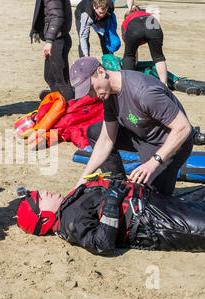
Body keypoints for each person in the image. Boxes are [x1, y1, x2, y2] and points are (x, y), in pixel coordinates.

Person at [70, 56, 193, 196]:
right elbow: (106, 139)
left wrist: (153, 162)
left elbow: (184, 128)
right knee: (95, 132)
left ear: (101, 71)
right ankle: (119, 184)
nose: (92, 96)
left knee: (151, 201)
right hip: (142, 135)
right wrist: (82, 179)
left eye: (91, 88)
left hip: (169, 143)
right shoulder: (108, 94)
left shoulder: (144, 92)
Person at [16, 176, 205, 254]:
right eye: (40, 198)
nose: (44, 192)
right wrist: (112, 201)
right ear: (44, 218)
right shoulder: (70, 223)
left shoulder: (69, 202)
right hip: (154, 224)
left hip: (155, 205)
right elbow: (102, 244)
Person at [30, 0, 75, 102]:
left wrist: (49, 41)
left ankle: (70, 108)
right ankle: (59, 103)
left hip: (57, 40)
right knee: (50, 77)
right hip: (56, 39)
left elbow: (57, 17)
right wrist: (37, 30)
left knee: (61, 81)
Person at [121, 4, 168, 85]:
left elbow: (131, 51)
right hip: (152, 22)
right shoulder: (146, 14)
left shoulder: (126, 20)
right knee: (159, 57)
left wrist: (134, 63)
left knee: (129, 56)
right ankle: (164, 84)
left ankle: (129, 85)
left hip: (135, 26)